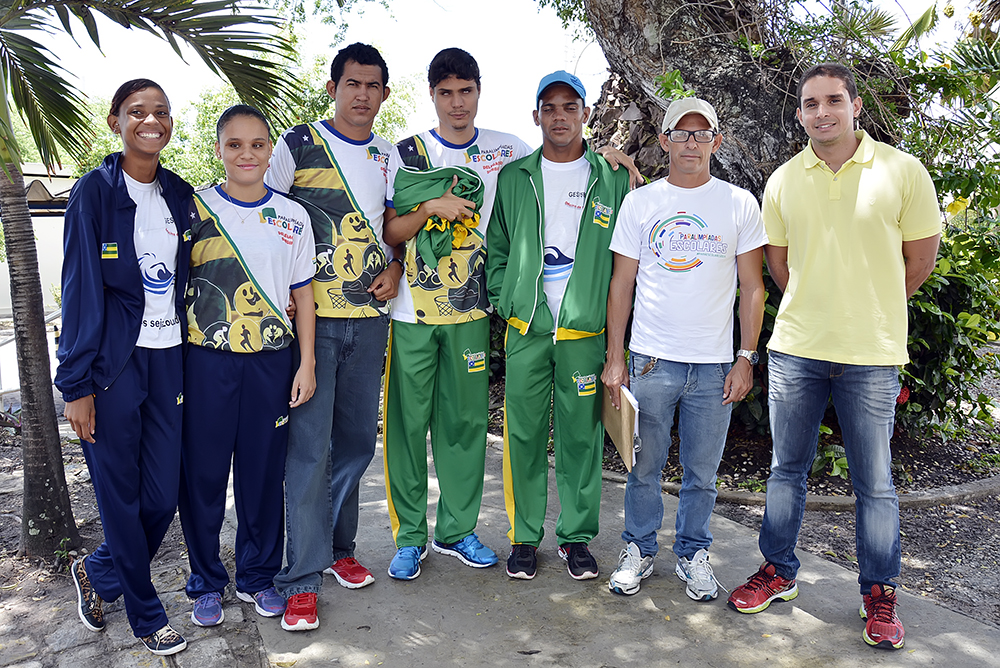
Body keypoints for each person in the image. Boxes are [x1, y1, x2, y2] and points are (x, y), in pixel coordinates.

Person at [726, 63, 941, 651]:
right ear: (799, 114)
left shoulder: (903, 172)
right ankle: (777, 572)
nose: (822, 112)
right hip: (797, 349)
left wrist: (868, 306)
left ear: (854, 107)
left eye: (833, 101)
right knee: (786, 471)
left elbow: (919, 261)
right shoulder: (783, 180)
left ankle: (879, 595)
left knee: (875, 484)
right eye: (811, 103)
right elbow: (778, 265)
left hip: (870, 355)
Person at [602, 97, 767, 600]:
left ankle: (693, 553)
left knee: (702, 473)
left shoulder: (739, 204)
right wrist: (615, 358)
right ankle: (640, 549)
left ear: (716, 141)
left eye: (702, 133)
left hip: (716, 365)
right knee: (644, 466)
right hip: (651, 359)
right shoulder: (641, 203)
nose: (692, 142)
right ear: (665, 140)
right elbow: (621, 285)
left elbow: (754, 288)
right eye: (682, 132)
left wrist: (746, 356)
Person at [380, 47, 533, 579]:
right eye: (446, 92)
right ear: (432, 96)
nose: (456, 102)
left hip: (471, 310)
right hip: (412, 315)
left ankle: (456, 531)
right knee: (406, 427)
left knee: (465, 426)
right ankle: (410, 538)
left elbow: (561, 165)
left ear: (478, 91)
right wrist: (429, 209)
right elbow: (392, 231)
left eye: (465, 91)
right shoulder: (409, 152)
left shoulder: (507, 149)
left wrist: (609, 157)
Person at [265, 43, 400, 631]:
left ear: (384, 95)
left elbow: (395, 227)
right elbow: (263, 213)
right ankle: (300, 576)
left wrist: (396, 263)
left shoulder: (389, 155)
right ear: (333, 87)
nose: (361, 94)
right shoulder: (297, 145)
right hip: (311, 323)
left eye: (372, 85)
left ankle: (339, 550)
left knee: (355, 445)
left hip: (370, 322)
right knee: (308, 450)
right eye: (352, 83)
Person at [57, 79, 193, 657]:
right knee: (120, 498)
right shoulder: (93, 191)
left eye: (160, 111)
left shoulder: (180, 194)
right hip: (113, 367)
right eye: (137, 111)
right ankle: (145, 617)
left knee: (162, 496)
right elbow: (79, 289)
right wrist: (76, 383)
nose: (151, 120)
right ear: (116, 121)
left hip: (170, 361)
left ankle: (97, 571)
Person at [486, 71, 631, 581]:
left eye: (571, 107)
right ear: (536, 116)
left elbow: (626, 256)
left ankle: (576, 538)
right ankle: (524, 537)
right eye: (550, 108)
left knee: (580, 439)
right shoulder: (515, 177)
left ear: (585, 114)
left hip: (583, 333)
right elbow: (498, 248)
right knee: (522, 436)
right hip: (526, 328)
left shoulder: (611, 177)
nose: (560, 116)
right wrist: (507, 300)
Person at [177, 105, 316, 629]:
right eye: (234, 144)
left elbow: (303, 294)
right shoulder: (194, 209)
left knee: (260, 476)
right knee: (205, 477)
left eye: (257, 144)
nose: (246, 154)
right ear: (219, 150)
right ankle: (206, 582)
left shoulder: (292, 216)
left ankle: (257, 577)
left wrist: (307, 363)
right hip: (206, 363)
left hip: (271, 364)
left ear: (269, 151)